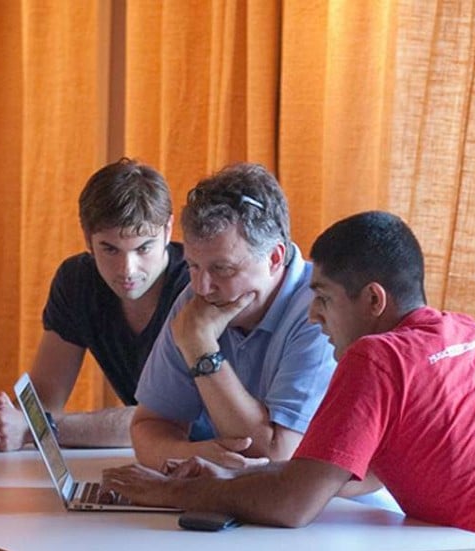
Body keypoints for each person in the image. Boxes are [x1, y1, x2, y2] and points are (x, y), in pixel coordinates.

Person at [103, 210, 475, 540]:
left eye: (324, 298)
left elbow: (293, 505)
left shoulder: (376, 357)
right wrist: (241, 474)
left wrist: (173, 492)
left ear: (373, 299)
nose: (314, 315)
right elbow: (333, 473)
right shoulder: (468, 332)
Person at [0, 158, 190, 450]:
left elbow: (166, 420)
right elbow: (46, 396)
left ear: (168, 229)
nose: (127, 270)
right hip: (153, 457)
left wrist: (36, 428)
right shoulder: (77, 280)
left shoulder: (197, 285)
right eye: (109, 249)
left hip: (214, 459)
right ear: (87, 238)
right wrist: (5, 420)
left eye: (143, 248)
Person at [131, 162, 336, 470]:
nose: (202, 287)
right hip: (249, 505)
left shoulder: (320, 308)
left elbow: (279, 459)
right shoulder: (196, 299)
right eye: (193, 266)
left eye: (223, 269)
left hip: (351, 511)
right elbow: (146, 428)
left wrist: (201, 348)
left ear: (275, 258)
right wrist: (195, 456)